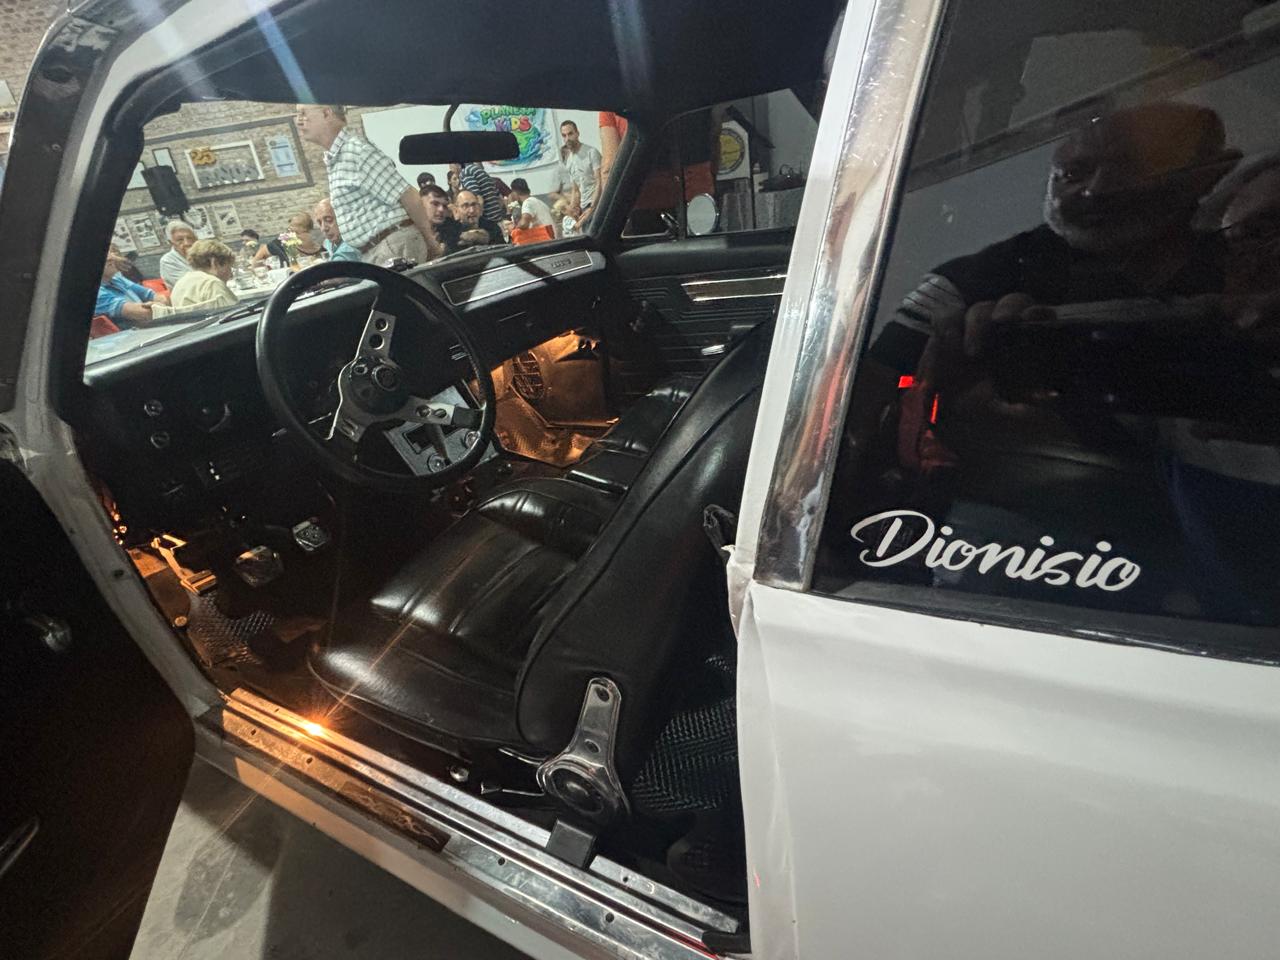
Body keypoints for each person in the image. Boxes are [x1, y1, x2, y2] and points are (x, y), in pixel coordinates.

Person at [295, 104, 441, 263]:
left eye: (303, 113)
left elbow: (408, 196)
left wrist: (432, 242)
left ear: (326, 113)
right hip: (378, 248)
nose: (298, 121)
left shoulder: (357, 151)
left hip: (391, 246)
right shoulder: (338, 157)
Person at [96, 244, 169, 327]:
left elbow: (152, 295)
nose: (111, 258)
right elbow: (143, 313)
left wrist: (160, 305)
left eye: (109, 253)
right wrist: (160, 306)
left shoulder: (117, 279)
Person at [168, 239, 240, 311]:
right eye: (229, 267)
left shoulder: (181, 283)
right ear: (214, 263)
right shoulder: (212, 283)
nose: (231, 274)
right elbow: (235, 313)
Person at [555, 120, 602, 227]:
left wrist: (593, 207)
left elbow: (600, 181)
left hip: (598, 203)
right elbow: (575, 189)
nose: (567, 138)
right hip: (584, 206)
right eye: (564, 135)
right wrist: (572, 209)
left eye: (570, 134)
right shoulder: (569, 160)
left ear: (577, 133)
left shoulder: (591, 152)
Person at [437, 189, 504, 253]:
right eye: (465, 206)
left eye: (474, 204)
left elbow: (503, 249)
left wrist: (475, 236)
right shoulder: (448, 229)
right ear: (456, 210)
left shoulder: (492, 226)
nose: (472, 210)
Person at [159, 220, 197, 287]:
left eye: (190, 238)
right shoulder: (168, 261)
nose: (187, 243)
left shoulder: (203, 254)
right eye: (180, 240)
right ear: (171, 242)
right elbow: (191, 285)